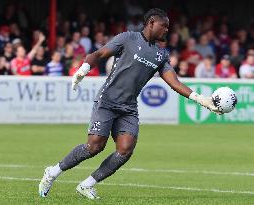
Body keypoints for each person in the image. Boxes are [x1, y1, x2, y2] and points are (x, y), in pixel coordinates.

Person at [38, 8, 220, 200]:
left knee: (125, 149)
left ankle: (87, 184)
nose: (167, 30)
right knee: (94, 146)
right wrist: (84, 68)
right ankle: (52, 172)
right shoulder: (128, 38)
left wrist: (201, 100)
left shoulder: (161, 55)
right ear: (151, 23)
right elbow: (99, 54)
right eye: (164, 25)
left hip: (128, 108)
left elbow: (174, 82)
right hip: (107, 101)